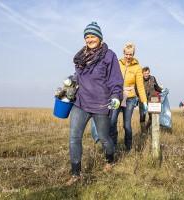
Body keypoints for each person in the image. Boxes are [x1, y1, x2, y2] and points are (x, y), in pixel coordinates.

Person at [66, 22, 123, 185]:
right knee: (74, 138)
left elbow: (115, 79)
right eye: (87, 37)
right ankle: (76, 174)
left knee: (104, 137)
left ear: (100, 37)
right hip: (80, 103)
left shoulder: (109, 55)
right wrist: (70, 83)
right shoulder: (81, 57)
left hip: (101, 104)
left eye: (92, 36)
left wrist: (116, 95)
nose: (89, 39)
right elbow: (79, 77)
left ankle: (110, 160)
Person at [109, 42, 147, 151]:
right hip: (116, 96)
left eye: (131, 54)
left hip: (130, 98)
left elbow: (140, 86)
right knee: (112, 122)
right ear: (123, 53)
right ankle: (113, 146)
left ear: (133, 54)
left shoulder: (137, 67)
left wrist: (144, 102)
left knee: (127, 125)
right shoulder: (117, 63)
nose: (128, 57)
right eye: (126, 54)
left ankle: (128, 147)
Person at [139, 66, 163, 133]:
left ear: (149, 73)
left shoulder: (152, 78)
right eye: (145, 73)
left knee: (152, 117)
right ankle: (143, 132)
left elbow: (157, 87)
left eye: (147, 73)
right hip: (142, 100)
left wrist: (162, 90)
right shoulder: (139, 79)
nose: (146, 75)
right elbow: (137, 89)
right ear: (142, 73)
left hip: (152, 100)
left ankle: (146, 128)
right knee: (142, 116)